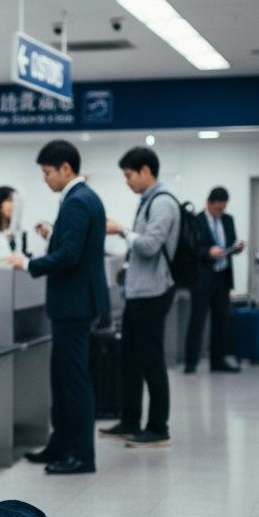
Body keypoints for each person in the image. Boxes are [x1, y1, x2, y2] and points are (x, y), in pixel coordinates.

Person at [3, 140, 108, 474]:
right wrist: (54, 233)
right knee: (63, 379)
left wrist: (28, 264)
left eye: (48, 172)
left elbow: (69, 256)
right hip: (77, 302)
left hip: (74, 305)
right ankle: (60, 445)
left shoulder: (77, 200)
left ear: (66, 168)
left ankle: (81, 454)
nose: (46, 179)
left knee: (74, 382)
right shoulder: (84, 198)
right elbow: (74, 245)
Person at [102, 146, 180, 448]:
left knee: (151, 362)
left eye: (129, 175)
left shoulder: (162, 204)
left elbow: (148, 246)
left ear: (146, 171)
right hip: (137, 292)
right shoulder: (147, 202)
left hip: (153, 293)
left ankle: (158, 427)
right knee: (130, 360)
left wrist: (123, 231)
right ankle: (130, 420)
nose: (127, 181)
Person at [185, 186, 244, 373]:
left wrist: (236, 248)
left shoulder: (228, 220)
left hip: (222, 278)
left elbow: (231, 241)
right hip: (202, 279)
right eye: (217, 209)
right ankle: (191, 362)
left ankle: (218, 361)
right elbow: (190, 249)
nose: (220, 212)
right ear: (208, 203)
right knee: (197, 322)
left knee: (221, 322)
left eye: (223, 209)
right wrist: (207, 252)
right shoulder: (196, 221)